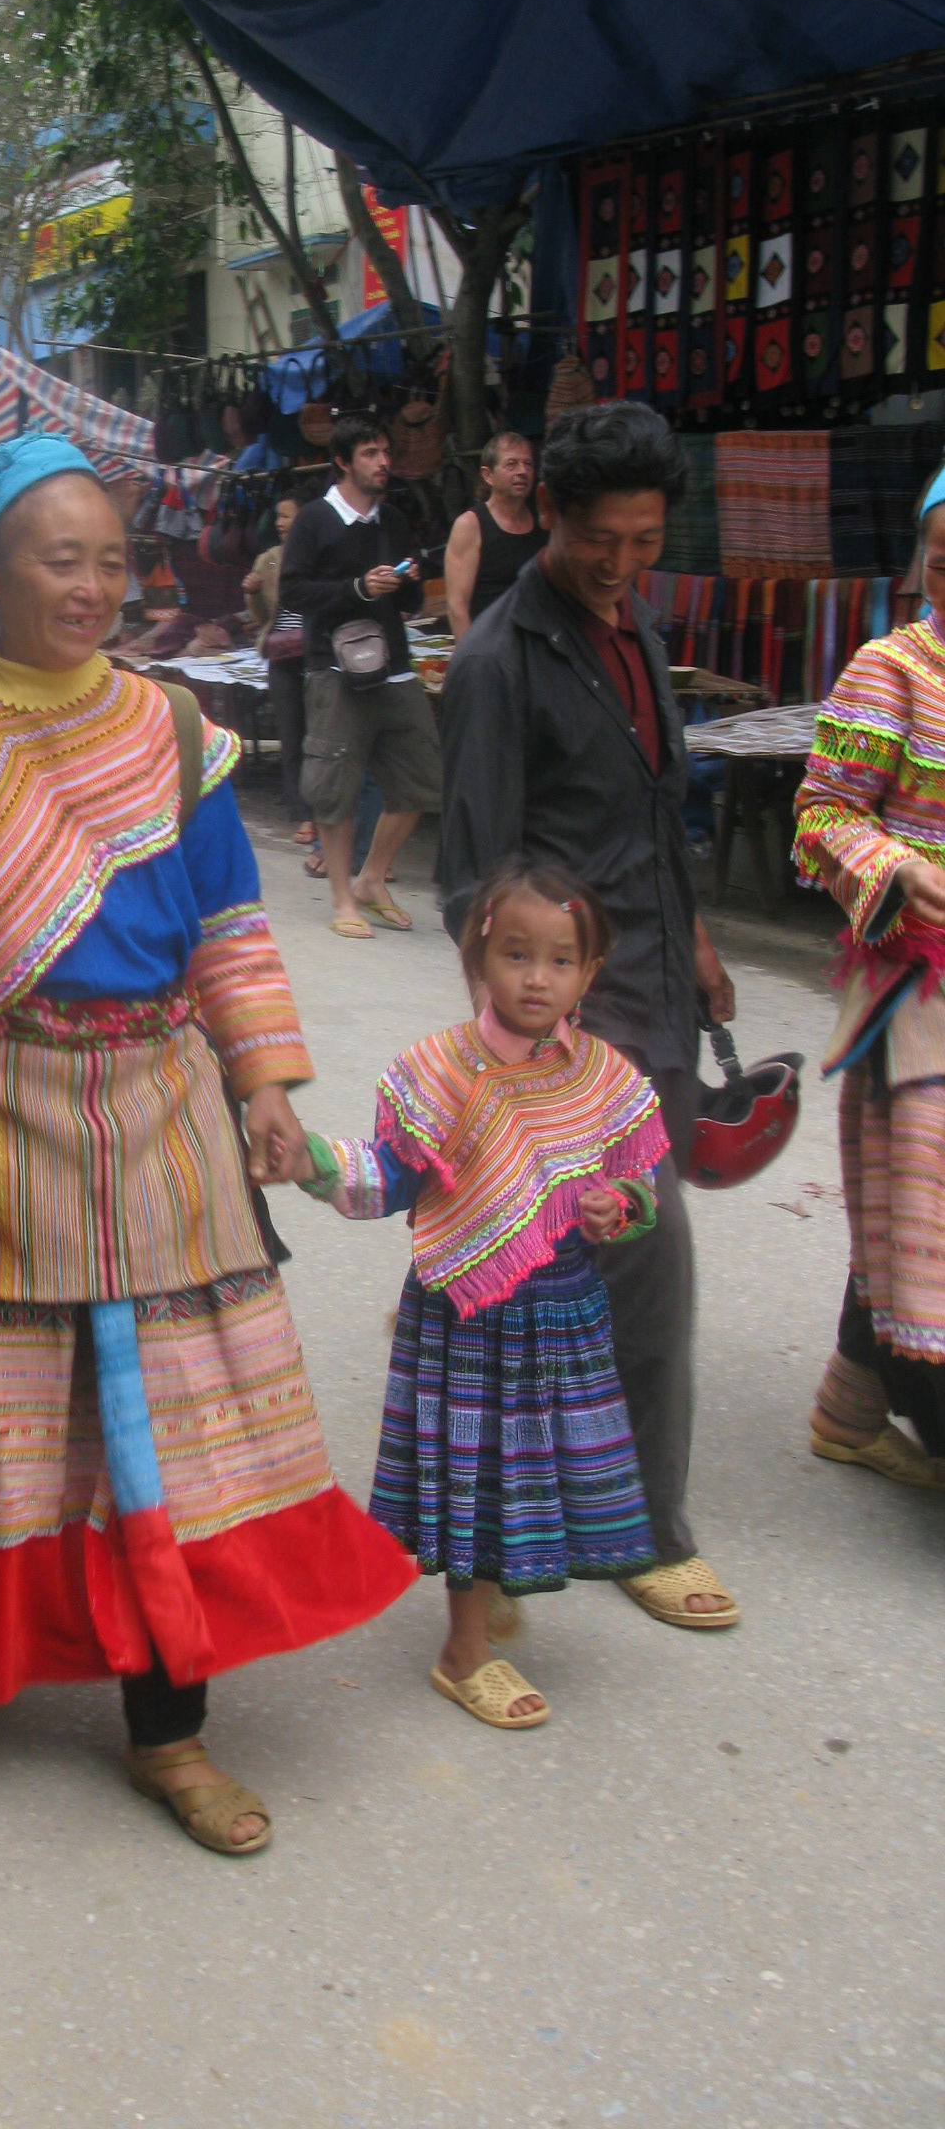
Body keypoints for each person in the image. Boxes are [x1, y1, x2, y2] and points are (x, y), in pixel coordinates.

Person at [0, 433, 414, 1857]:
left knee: (162, 1434)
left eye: (112, 560)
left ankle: (167, 1730)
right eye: (58, 559)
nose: (91, 586)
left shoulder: (174, 733)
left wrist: (262, 1081)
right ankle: (21, 1646)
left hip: (156, 1109)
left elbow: (231, 924)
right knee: (20, 1425)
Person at [438, 402, 740, 1629]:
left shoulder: (636, 631)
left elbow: (654, 811)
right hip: (578, 1028)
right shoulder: (498, 661)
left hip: (661, 986)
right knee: (651, 1261)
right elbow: (471, 879)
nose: (623, 563)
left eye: (645, 539)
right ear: (548, 514)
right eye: (601, 539)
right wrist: (531, 1046)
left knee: (589, 1269)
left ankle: (546, 1493)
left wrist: (702, 940)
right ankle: (648, 1535)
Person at [301, 863, 667, 1729]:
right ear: (479, 958)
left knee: (526, 1467)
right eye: (515, 955)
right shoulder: (437, 1071)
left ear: (590, 970)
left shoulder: (603, 1077)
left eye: (561, 960)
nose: (537, 978)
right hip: (466, 1317)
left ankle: (495, 1582)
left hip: (562, 1309)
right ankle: (464, 1652)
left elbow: (639, 1182)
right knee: (473, 1472)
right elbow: (388, 1178)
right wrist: (315, 1164)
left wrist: (624, 1207)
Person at [791, 472, 945, 1482]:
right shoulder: (894, 672)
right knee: (926, 1203)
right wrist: (895, 867)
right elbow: (820, 818)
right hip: (923, 991)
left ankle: (852, 1403)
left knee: (912, 1211)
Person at [280, 417, 442, 940]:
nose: (383, 462)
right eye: (371, 453)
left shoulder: (394, 520)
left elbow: (410, 604)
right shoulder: (314, 521)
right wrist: (358, 588)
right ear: (345, 462)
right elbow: (294, 594)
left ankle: (373, 877)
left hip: (394, 667)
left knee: (421, 778)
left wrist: (409, 585)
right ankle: (342, 897)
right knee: (335, 788)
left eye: (386, 451)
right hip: (333, 667)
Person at [244, 492, 319, 868]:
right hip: (283, 655)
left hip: (320, 653)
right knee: (292, 736)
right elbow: (259, 616)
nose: (280, 522)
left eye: (287, 516)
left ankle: (327, 813)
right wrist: (252, 593)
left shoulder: (322, 554)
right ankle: (303, 814)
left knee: (322, 736)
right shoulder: (268, 560)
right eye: (279, 516)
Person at [443, 431, 542, 638]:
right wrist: (471, 663)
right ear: (488, 475)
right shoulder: (470, 525)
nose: (522, 471)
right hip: (491, 648)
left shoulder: (543, 520)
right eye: (511, 464)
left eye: (528, 464)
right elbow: (457, 607)